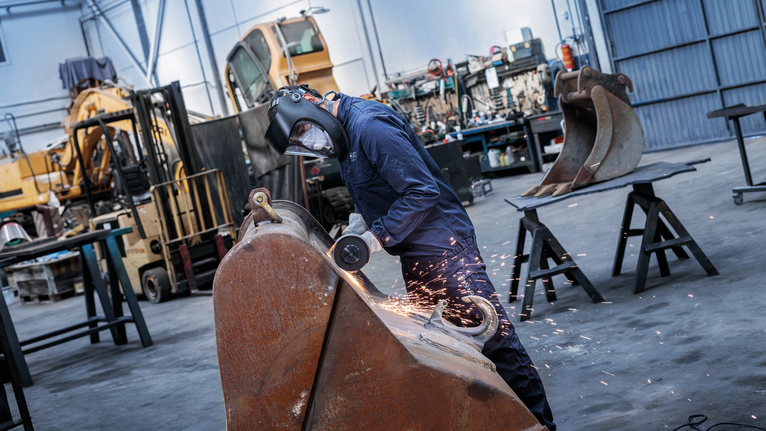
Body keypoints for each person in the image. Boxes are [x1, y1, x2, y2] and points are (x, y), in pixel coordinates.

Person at [265, 84, 556, 430]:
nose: (308, 142)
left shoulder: (369, 125)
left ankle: (541, 424)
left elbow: (422, 191)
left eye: (302, 131)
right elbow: (369, 192)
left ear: (311, 103)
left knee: (493, 339)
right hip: (415, 254)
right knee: (448, 347)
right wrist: (358, 223)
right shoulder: (344, 138)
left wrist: (375, 238)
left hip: (443, 248)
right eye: (299, 140)